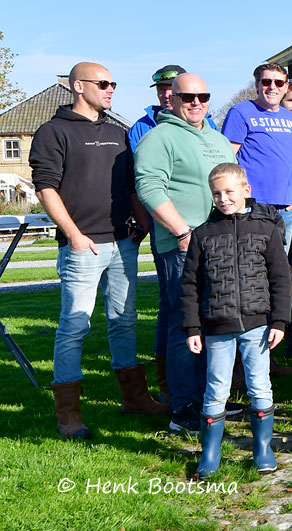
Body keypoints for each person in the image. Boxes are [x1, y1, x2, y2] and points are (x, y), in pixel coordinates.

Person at [32, 61, 163, 440]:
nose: (110, 89)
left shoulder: (116, 132)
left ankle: (135, 398)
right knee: (75, 325)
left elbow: (131, 185)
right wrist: (73, 235)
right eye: (103, 83)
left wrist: (142, 225)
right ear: (78, 86)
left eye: (113, 84)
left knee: (124, 320)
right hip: (83, 246)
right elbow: (46, 188)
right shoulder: (52, 131)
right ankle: (69, 412)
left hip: (123, 242)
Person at [135, 72, 237, 434]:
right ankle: (183, 408)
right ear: (172, 99)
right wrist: (181, 230)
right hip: (181, 246)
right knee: (185, 324)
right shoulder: (159, 137)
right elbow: (148, 185)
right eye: (187, 97)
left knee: (213, 322)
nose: (196, 102)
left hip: (220, 244)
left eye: (203, 96)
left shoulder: (216, 137)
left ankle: (210, 398)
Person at [181, 163, 290, 478]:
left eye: (229, 192)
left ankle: (263, 448)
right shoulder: (203, 234)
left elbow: (281, 278)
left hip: (258, 327)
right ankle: (211, 453)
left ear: (246, 191)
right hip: (217, 328)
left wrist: (280, 321)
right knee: (216, 388)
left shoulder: (266, 230)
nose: (223, 199)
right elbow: (189, 286)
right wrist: (192, 327)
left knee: (260, 386)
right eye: (217, 193)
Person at [221, 62, 292, 247]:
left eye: (279, 82)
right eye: (267, 81)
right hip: (253, 208)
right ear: (257, 85)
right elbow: (226, 163)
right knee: (251, 270)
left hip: (287, 210)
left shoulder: (290, 118)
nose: (273, 87)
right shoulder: (241, 112)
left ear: (286, 87)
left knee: (280, 271)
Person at [129, 65, 216, 151]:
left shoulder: (207, 125)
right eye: (161, 90)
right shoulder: (142, 127)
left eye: (171, 89)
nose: (167, 95)